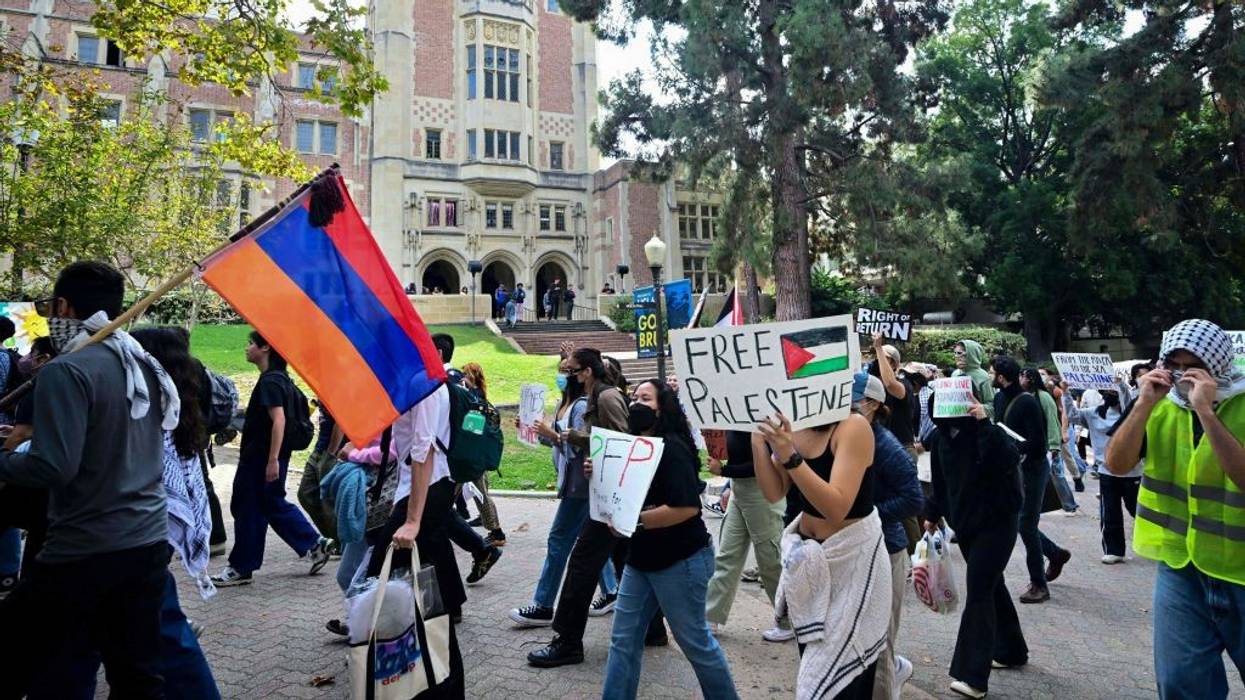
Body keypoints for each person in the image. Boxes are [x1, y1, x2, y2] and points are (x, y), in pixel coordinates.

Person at [0, 261, 177, 697]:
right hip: (147, 541)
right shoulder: (142, 361)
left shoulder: (68, 369)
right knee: (136, 674)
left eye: (49, 308)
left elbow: (52, 467)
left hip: (85, 549)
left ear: (63, 306)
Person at [1105, 320, 1245, 699]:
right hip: (1181, 568)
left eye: (1193, 366)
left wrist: (1207, 413)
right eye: (1175, 366)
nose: (1183, 377)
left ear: (1217, 366)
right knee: (1181, 684)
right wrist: (1143, 404)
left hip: (1241, 572)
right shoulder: (1158, 403)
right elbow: (1116, 464)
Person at [601, 379, 738, 700]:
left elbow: (687, 508)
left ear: (663, 407)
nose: (636, 403)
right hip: (641, 560)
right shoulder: (633, 447)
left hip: (681, 562)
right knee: (623, 640)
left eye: (646, 398)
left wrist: (634, 520)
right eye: (633, 397)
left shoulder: (673, 448)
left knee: (696, 643)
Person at [753, 402, 890, 699]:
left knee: (845, 679)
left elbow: (836, 507)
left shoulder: (853, 426)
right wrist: (758, 441)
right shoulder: (796, 425)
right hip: (810, 564)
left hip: (851, 561)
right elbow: (774, 491)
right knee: (815, 657)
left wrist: (789, 455)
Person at [528, 347, 637, 668]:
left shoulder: (605, 398)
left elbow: (622, 442)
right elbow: (598, 439)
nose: (568, 376)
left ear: (587, 371)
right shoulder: (595, 397)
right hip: (609, 494)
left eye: (572, 371)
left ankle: (568, 641)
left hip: (611, 495)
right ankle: (653, 628)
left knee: (580, 565)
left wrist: (601, 464)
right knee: (630, 560)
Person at [924, 390, 1028, 699]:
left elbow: (1011, 457)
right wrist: (932, 514)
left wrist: (985, 424)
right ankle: (1011, 650)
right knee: (993, 585)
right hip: (966, 526)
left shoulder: (989, 434)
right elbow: (941, 482)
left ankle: (972, 675)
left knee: (980, 591)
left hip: (998, 523)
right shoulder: (941, 439)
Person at [212, 332, 330, 586]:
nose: (247, 348)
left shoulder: (270, 382)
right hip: (268, 458)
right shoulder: (280, 380)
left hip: (261, 459)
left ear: (266, 348)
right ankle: (314, 543)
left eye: (251, 343)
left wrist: (272, 460)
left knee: (248, 509)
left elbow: (279, 420)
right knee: (270, 504)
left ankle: (241, 567)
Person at [509, 357, 618, 626]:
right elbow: (559, 445)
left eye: (567, 372)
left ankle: (544, 604)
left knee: (558, 541)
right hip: (572, 483)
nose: (562, 376)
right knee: (588, 539)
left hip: (579, 486)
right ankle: (612, 590)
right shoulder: (563, 404)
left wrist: (553, 434)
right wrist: (538, 433)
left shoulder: (581, 406)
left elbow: (581, 445)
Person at [851, 372, 924, 699]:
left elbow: (913, 498)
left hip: (888, 551)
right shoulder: (850, 438)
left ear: (873, 404)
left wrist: (867, 514)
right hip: (858, 550)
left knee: (880, 643)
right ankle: (894, 671)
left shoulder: (886, 445)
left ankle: (889, 678)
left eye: (853, 401)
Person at [992, 356, 1070, 604]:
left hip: (1033, 470)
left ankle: (1039, 584)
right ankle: (1054, 553)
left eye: (992, 372)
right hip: (1013, 470)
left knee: (1025, 524)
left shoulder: (1028, 402)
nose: (989, 376)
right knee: (1019, 522)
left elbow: (1038, 442)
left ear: (1002, 378)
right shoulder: (998, 398)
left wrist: (1017, 447)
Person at [704, 429, 790, 642]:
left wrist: (724, 470)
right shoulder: (734, 416)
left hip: (762, 494)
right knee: (727, 556)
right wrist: (727, 484)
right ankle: (710, 616)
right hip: (739, 492)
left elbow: (764, 465)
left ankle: (789, 620)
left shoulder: (762, 422)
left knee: (770, 561)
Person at [1060, 380, 1134, 563]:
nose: (1111, 392)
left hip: (1133, 470)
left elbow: (1130, 404)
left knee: (1137, 509)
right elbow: (1072, 415)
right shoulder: (1094, 414)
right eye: (1108, 390)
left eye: (1115, 390)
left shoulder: (1131, 414)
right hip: (1106, 471)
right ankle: (1114, 550)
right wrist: (1065, 392)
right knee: (1110, 511)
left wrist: (1122, 386)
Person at [460, 362, 506, 547]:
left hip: (474, 455)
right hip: (477, 453)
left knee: (480, 492)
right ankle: (486, 521)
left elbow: (472, 428)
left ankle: (497, 532)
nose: (462, 377)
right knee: (479, 490)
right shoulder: (478, 395)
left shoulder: (475, 398)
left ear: (472, 376)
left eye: (465, 374)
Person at [1021, 368, 1079, 515]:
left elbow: (1053, 421)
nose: (1019, 379)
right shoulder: (1023, 396)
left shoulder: (1044, 397)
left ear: (1031, 379)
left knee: (1057, 474)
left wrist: (1054, 445)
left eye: (1022, 376)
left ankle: (1070, 504)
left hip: (1048, 444)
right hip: (1031, 444)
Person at [953, 340, 995, 419]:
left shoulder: (984, 377)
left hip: (978, 423)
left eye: (960, 353)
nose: (956, 356)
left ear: (971, 355)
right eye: (955, 353)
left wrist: (980, 408)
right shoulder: (955, 374)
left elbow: (992, 406)